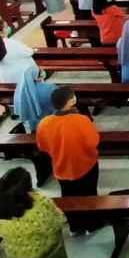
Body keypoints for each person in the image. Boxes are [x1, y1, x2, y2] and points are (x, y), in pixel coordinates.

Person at [36, 87, 100, 234]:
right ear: (72, 101)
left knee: (68, 197)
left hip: (61, 167)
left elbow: (43, 146)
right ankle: (91, 225)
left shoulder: (44, 123)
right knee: (89, 195)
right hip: (85, 165)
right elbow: (93, 141)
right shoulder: (81, 120)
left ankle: (74, 226)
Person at [0, 167, 68, 258]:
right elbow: (58, 222)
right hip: (47, 252)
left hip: (16, 255)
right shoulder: (40, 203)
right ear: (27, 188)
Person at [13, 66, 55, 132]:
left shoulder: (20, 92)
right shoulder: (50, 88)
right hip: (49, 124)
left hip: (30, 126)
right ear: (38, 77)